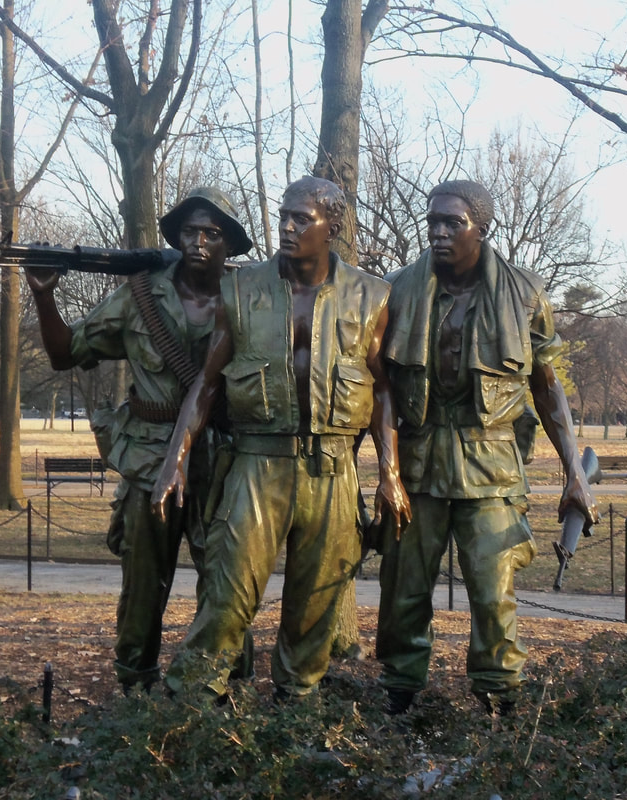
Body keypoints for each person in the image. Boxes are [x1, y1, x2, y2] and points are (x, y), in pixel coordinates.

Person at [152, 176, 411, 703]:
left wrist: (389, 474)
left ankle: (296, 714)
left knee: (315, 607)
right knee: (227, 596)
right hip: (257, 464)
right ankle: (188, 709)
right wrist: (174, 459)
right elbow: (206, 381)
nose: (287, 228)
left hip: (334, 469)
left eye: (302, 219)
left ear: (332, 227)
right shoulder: (242, 288)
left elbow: (384, 391)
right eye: (284, 216)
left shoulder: (371, 296)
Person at [375, 179, 599, 716]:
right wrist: (386, 472)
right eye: (433, 221)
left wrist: (575, 471)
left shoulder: (524, 295)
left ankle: (499, 700)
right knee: (404, 590)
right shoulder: (397, 290)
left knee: (493, 592)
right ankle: (399, 698)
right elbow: (377, 384)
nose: (439, 232)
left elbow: (546, 386)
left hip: (491, 466)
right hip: (419, 464)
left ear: (482, 228)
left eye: (453, 223)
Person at [24, 186, 253, 694]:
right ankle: (135, 687)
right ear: (174, 238)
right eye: (189, 231)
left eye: (212, 233)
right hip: (150, 456)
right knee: (144, 584)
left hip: (223, 458)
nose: (198, 241)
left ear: (228, 245)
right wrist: (45, 297)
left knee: (227, 581)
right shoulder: (139, 297)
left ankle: (224, 688)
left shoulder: (248, 299)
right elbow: (66, 354)